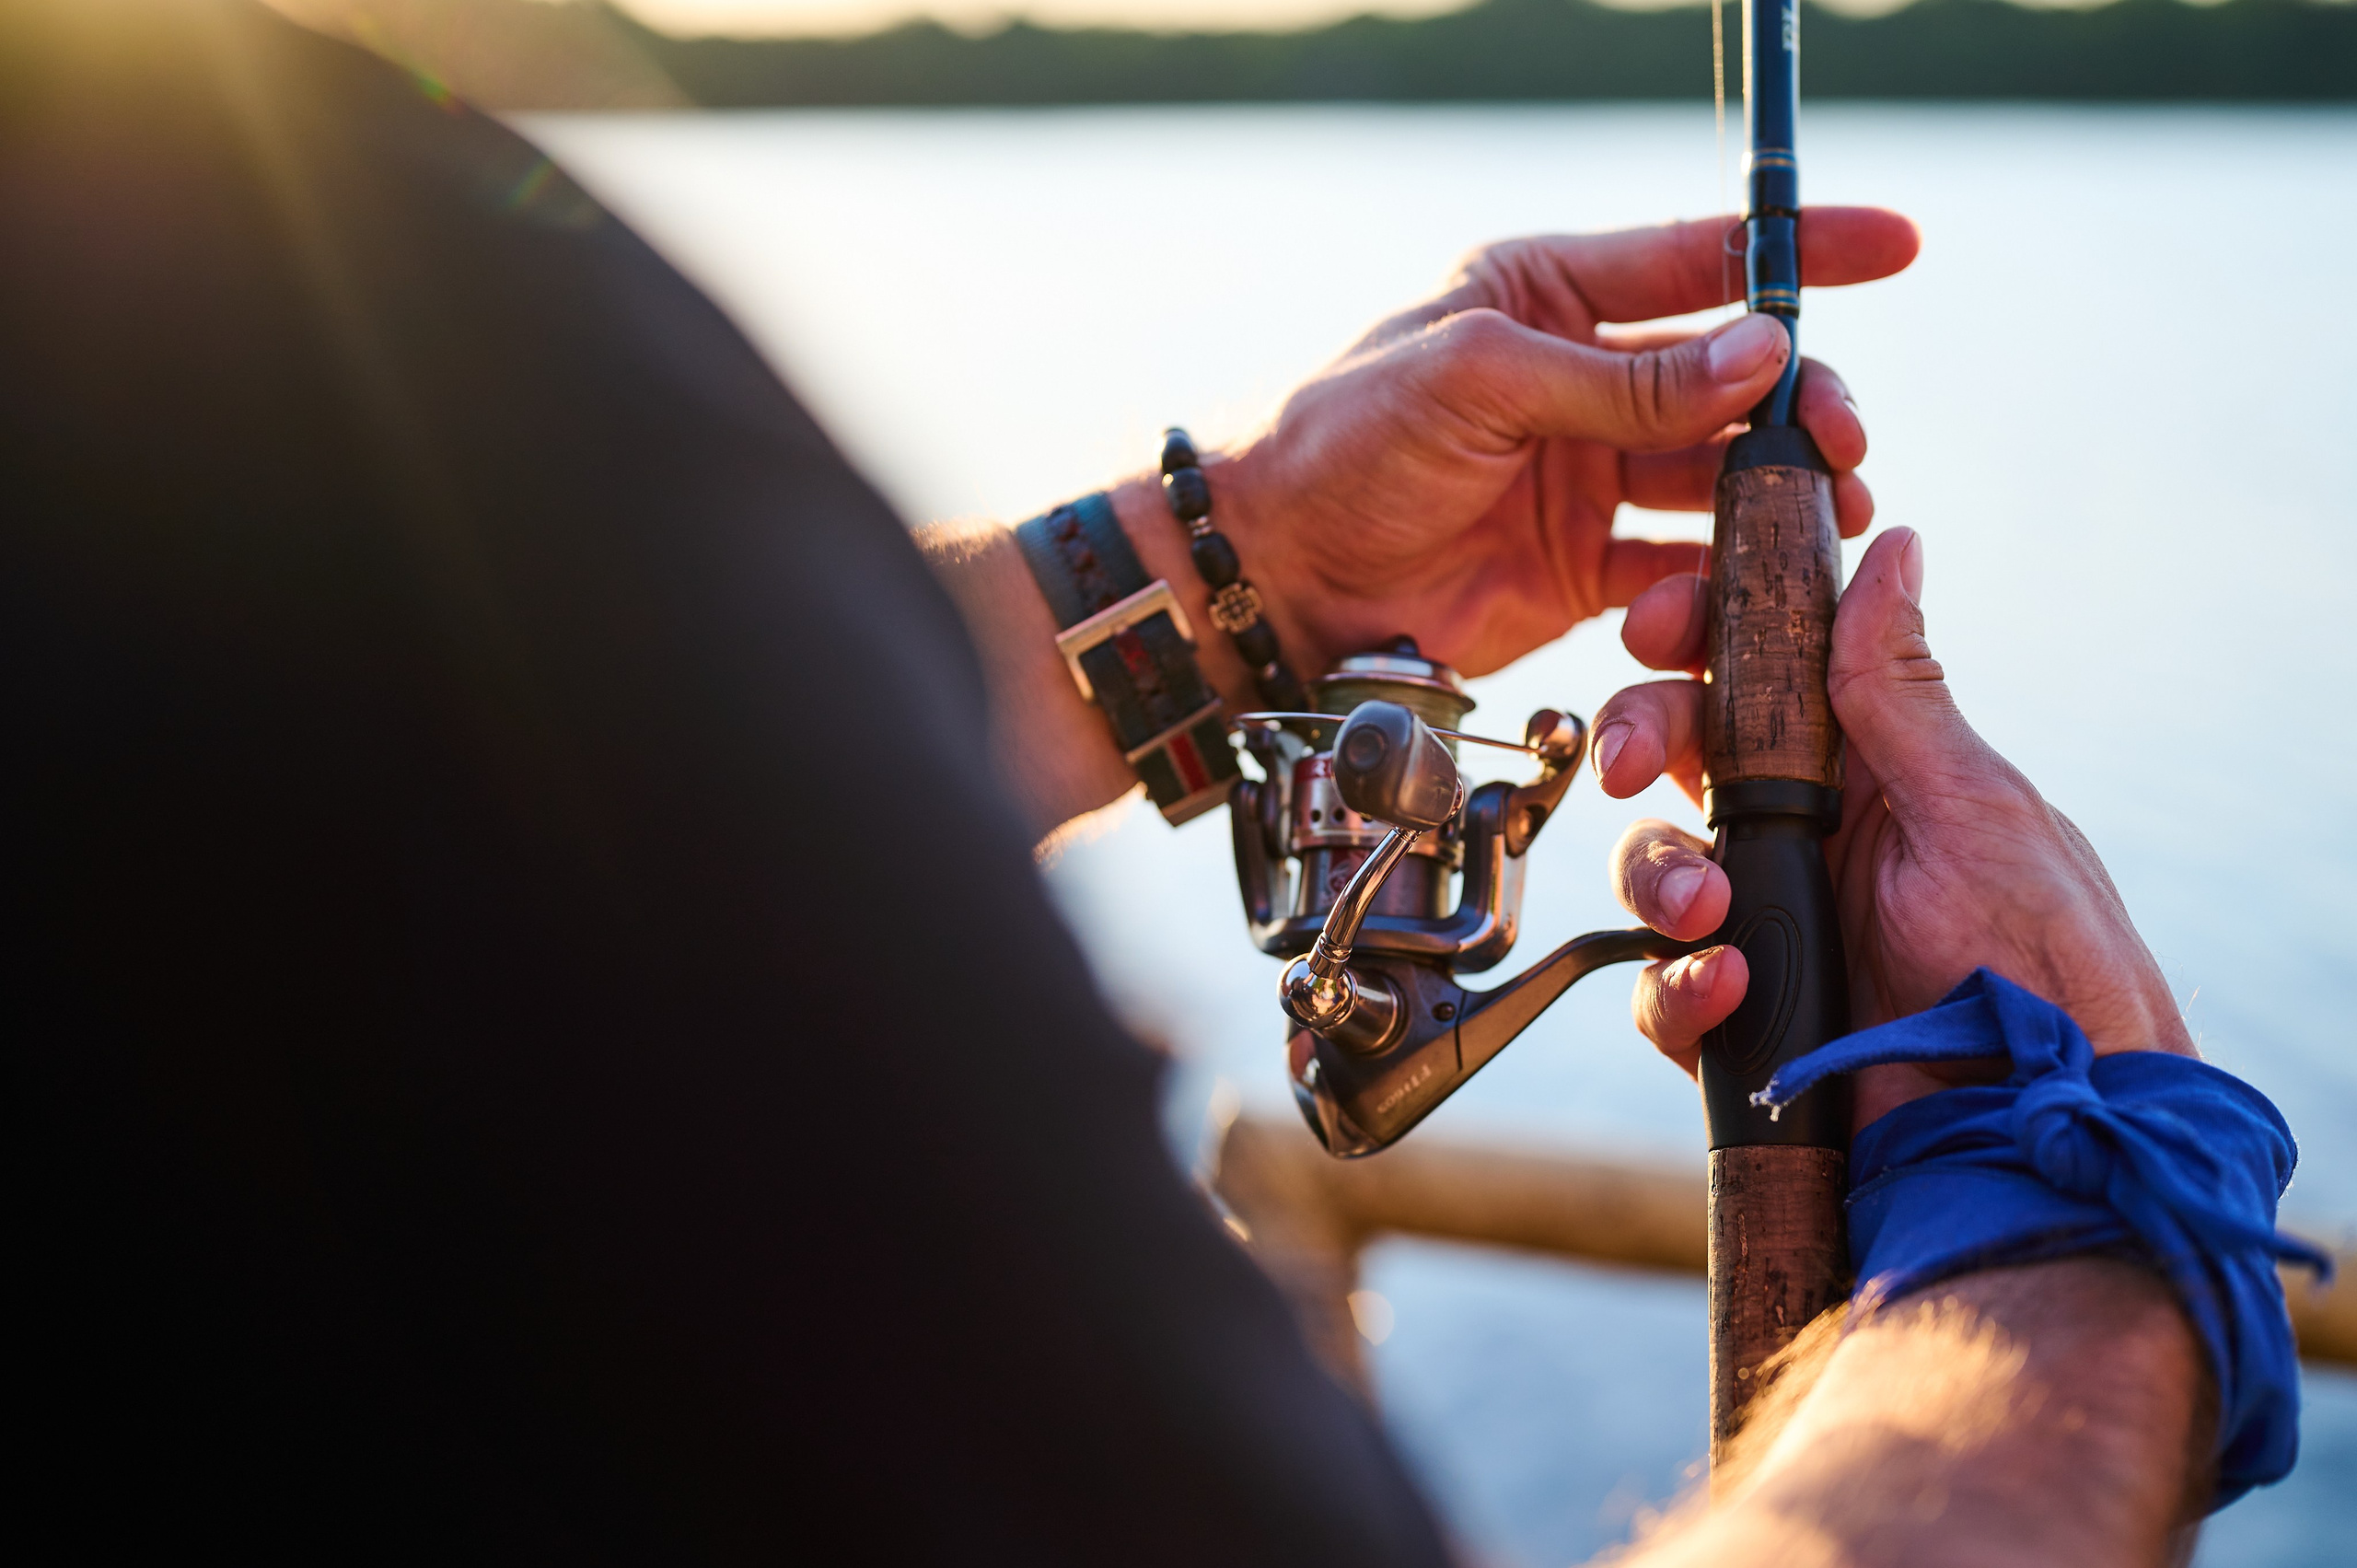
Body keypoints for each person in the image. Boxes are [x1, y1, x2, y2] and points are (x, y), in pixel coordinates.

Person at [6, 2, 2298, 1563]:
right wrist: (2076, 1243)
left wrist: (1248, 567)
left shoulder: (138, 252)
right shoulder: (243, 239)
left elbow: (472, 823)